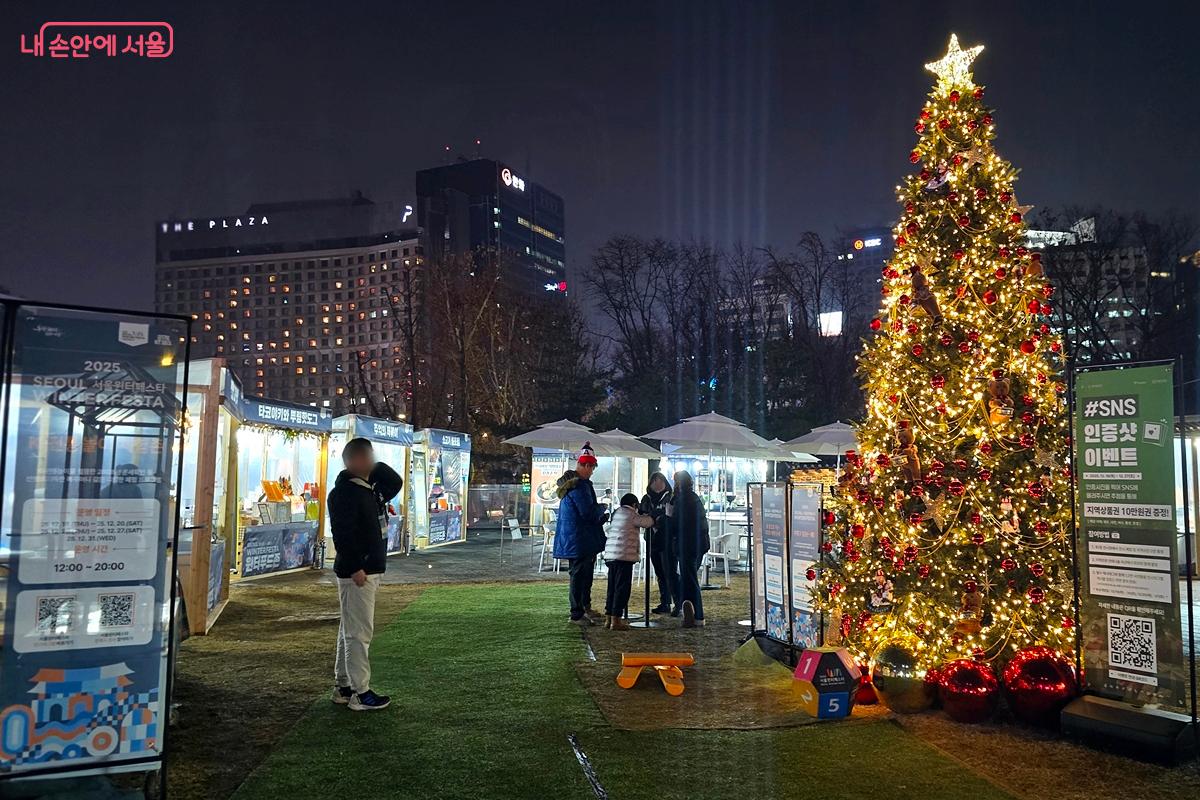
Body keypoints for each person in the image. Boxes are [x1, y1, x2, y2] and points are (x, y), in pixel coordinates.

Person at [328, 437, 403, 711]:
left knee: (350, 629)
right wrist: (355, 566)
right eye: (366, 457)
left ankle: (345, 686)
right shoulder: (345, 493)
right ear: (353, 462)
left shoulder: (368, 488)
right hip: (358, 573)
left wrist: (374, 466)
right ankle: (361, 692)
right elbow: (342, 534)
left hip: (367, 569)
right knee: (358, 633)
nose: (371, 463)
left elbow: (394, 481)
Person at [552, 442, 608, 626]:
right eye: (591, 467)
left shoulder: (572, 486)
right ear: (585, 465)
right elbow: (587, 513)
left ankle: (583, 608)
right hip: (580, 539)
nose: (592, 471)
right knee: (580, 575)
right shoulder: (580, 487)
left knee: (582, 574)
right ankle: (578, 612)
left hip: (576, 538)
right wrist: (602, 508)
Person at [603, 493, 654, 630]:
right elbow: (647, 522)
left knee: (612, 588)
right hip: (623, 557)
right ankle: (616, 620)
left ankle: (608, 618)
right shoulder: (630, 514)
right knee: (622, 589)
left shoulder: (617, 513)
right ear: (634, 505)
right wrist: (653, 515)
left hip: (611, 555)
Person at [669, 470, 710, 628]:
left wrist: (667, 518)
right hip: (697, 544)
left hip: (687, 544)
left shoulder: (683, 500)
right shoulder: (693, 498)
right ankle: (691, 614)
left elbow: (679, 523)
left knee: (689, 579)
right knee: (689, 578)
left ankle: (696, 615)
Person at [639, 472, 674, 614]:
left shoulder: (670, 498)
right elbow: (641, 514)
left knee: (669, 572)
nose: (657, 484)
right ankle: (664, 602)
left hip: (667, 540)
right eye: (654, 481)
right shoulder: (646, 499)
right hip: (652, 540)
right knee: (660, 572)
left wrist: (657, 519)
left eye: (660, 481)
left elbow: (670, 517)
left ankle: (674, 602)